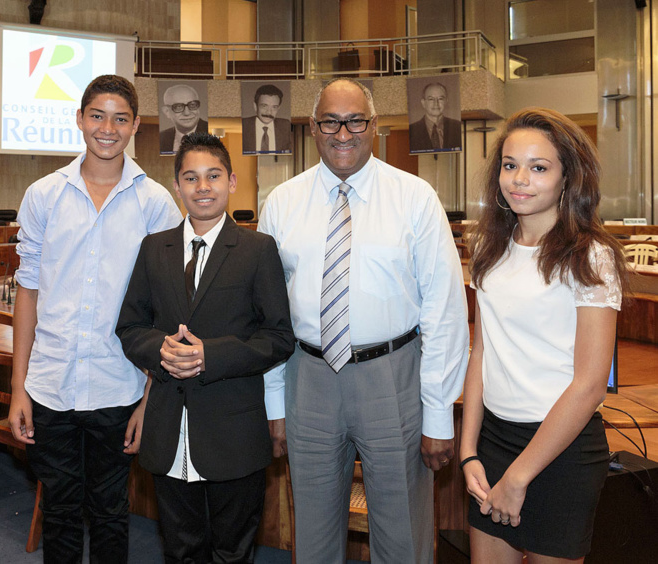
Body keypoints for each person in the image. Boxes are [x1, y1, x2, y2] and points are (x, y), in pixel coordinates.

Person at [258, 78, 469, 563]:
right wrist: (274, 404)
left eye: (355, 120)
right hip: (306, 377)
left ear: (374, 126)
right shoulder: (282, 204)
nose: (343, 132)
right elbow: (267, 317)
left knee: (402, 535)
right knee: (313, 534)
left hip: (391, 378)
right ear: (313, 128)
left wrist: (438, 412)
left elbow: (444, 310)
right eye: (330, 121)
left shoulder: (414, 198)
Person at [8, 74, 182, 564]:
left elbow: (167, 312)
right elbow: (28, 292)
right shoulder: (44, 194)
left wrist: (150, 401)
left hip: (120, 386)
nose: (108, 128)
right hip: (51, 386)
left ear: (136, 126)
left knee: (110, 514)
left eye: (120, 118)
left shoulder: (155, 203)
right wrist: (19, 387)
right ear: (80, 119)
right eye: (98, 116)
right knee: (59, 514)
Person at [460, 108, 629, 563]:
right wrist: (469, 450)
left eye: (539, 168)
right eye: (510, 164)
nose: (520, 179)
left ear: (567, 178)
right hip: (494, 442)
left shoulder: (590, 256)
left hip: (561, 453)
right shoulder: (487, 248)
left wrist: (518, 478)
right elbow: (482, 354)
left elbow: (590, 384)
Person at [117, 132, 295, 563]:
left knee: (232, 552)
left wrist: (208, 356)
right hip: (167, 431)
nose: (202, 187)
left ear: (231, 182)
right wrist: (160, 349)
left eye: (213, 176)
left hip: (233, 431)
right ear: (176, 186)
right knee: (180, 549)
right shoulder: (152, 248)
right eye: (191, 178)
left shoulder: (258, 249)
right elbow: (130, 326)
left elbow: (278, 337)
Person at [408, 82, 462, 152]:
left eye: (440, 99)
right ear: (423, 103)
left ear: (446, 101)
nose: (436, 103)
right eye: (431, 99)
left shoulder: (457, 127)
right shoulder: (412, 131)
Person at [242, 84, 292, 154]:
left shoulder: (286, 126)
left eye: (274, 107)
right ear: (255, 106)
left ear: (278, 108)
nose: (269, 112)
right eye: (264, 106)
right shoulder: (244, 125)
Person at [160, 84, 209, 154]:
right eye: (178, 107)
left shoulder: (210, 134)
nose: (187, 113)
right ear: (167, 112)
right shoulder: (162, 137)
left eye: (192, 105)